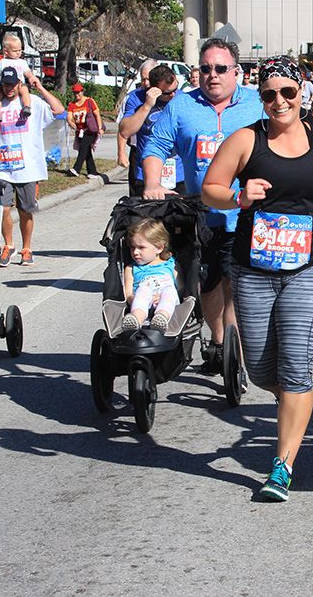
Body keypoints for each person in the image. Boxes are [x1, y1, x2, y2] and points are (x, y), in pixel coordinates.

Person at [200, 55, 313, 502]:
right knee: (259, 368)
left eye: (288, 93)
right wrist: (239, 197)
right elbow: (210, 189)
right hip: (254, 270)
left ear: (303, 94)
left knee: (295, 365)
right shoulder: (246, 140)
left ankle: (282, 466)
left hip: (310, 267)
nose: (280, 102)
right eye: (270, 95)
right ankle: (296, 404)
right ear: (262, 99)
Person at [142, 38, 263, 373]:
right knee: (208, 285)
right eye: (206, 69)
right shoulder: (181, 106)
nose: (213, 75)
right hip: (202, 215)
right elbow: (155, 144)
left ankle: (232, 346)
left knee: (236, 281)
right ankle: (220, 339)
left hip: (247, 214)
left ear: (236, 72)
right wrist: (153, 183)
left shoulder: (256, 104)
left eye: (221, 68)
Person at [0, 66, 65, 267]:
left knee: (25, 210)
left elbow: (59, 110)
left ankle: (27, 248)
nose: (9, 88)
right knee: (2, 209)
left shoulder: (33, 103)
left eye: (13, 84)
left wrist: (39, 86)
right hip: (1, 167)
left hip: (27, 168)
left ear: (19, 84)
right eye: (5, 84)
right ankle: (8, 245)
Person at [119, 65, 185, 196]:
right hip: (145, 174)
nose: (173, 95)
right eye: (167, 93)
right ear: (154, 89)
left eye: (175, 89)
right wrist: (147, 105)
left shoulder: (183, 98)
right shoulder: (136, 98)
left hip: (179, 173)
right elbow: (125, 131)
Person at [122, 218, 180, 333]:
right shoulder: (131, 268)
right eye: (132, 247)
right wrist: (135, 298)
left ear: (159, 248)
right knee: (143, 290)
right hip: (142, 302)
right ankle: (136, 320)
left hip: (167, 300)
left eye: (141, 247)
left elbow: (181, 286)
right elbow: (128, 294)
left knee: (169, 291)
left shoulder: (170, 264)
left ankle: (161, 317)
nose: (135, 252)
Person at [118, 60, 157, 196]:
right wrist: (121, 153)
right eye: (143, 79)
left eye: (149, 79)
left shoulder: (173, 96)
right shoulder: (134, 97)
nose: (145, 83)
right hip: (139, 152)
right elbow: (123, 129)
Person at [0, 34, 34, 122]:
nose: (18, 52)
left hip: (19, 85)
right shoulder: (2, 62)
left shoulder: (22, 62)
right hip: (4, 85)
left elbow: (27, 72)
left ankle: (26, 107)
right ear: (6, 51)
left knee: (25, 91)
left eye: (20, 50)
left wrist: (31, 77)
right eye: (15, 50)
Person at [66, 83, 105, 178]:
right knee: (86, 151)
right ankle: (92, 172)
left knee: (83, 148)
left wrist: (100, 128)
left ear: (82, 91)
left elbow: (97, 115)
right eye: (74, 93)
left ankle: (76, 169)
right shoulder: (72, 105)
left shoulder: (89, 101)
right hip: (80, 131)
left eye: (78, 92)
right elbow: (69, 117)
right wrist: (72, 124)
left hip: (90, 130)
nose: (76, 95)